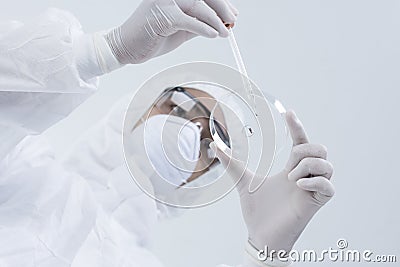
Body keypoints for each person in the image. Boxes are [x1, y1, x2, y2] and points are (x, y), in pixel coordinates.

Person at [0, 1, 335, 266]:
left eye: (215, 140)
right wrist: (103, 51)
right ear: (140, 108)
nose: (192, 132)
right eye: (186, 107)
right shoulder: (23, 167)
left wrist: (264, 256)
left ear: (207, 178)